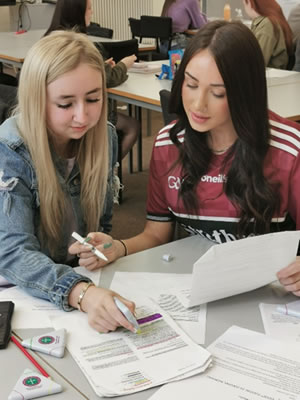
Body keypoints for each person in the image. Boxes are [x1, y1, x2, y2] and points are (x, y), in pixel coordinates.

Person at [70, 21, 300, 297]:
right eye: (190, 85)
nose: (197, 104)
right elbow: (157, 233)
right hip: (203, 291)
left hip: (275, 296)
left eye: (218, 93)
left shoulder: (289, 151)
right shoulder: (169, 143)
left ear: (245, 93)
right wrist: (118, 247)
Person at [0, 31, 136, 333]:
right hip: (20, 290)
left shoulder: (105, 138)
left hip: (75, 285)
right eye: (65, 104)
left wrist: (98, 247)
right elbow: (13, 253)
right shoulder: (10, 150)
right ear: (38, 101)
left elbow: (101, 224)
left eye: (93, 99)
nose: (82, 116)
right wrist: (81, 293)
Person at [45, 0, 139, 159]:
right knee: (132, 126)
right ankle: (110, 167)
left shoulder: (49, 39)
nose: (92, 12)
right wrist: (124, 64)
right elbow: (109, 78)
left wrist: (100, 65)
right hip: (85, 125)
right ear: (77, 12)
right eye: (89, 8)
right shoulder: (80, 45)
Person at [243, 0, 293, 69]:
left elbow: (256, 63)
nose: (245, 9)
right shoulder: (271, 20)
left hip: (270, 77)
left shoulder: (267, 25)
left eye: (244, 5)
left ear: (249, 3)